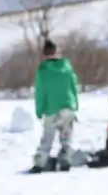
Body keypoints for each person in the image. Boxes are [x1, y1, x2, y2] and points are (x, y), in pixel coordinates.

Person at [29, 39, 81, 172]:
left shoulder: (43, 70)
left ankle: (40, 163)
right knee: (66, 136)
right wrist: (75, 103)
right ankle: (65, 160)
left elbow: (40, 91)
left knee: (47, 137)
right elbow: (74, 86)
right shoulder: (67, 67)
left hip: (51, 108)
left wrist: (39, 109)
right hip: (67, 105)